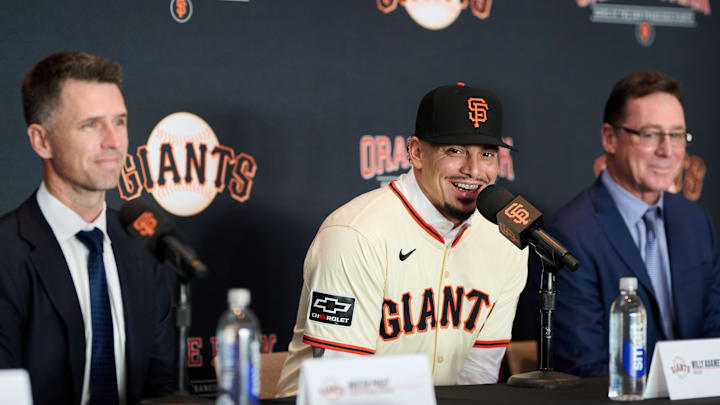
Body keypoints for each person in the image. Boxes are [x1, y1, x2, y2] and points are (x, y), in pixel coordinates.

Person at [276, 83, 528, 396]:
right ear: (416, 152)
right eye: (456, 150)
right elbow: (340, 383)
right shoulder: (355, 234)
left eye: (487, 154)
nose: (473, 170)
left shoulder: (507, 240)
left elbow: (479, 376)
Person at [0, 51, 176, 405]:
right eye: (90, 124)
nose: (113, 141)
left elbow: (162, 387)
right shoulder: (6, 254)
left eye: (120, 121)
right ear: (41, 141)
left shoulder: (142, 244)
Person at [530, 71, 720, 377]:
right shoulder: (570, 233)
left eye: (676, 135)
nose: (668, 150)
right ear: (609, 138)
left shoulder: (695, 223)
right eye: (650, 134)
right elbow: (582, 367)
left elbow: (715, 334)